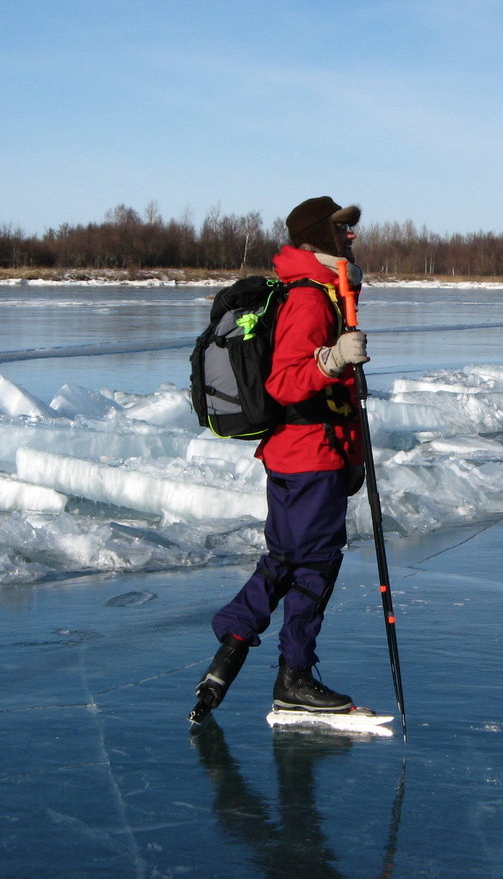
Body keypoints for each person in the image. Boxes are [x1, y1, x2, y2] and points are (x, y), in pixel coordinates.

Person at [190, 197, 369, 726]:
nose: (353, 239)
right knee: (312, 563)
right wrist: (334, 359)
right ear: (321, 237)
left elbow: (336, 394)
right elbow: (285, 381)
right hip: (308, 452)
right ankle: (292, 676)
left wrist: (353, 454)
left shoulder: (324, 293)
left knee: (289, 557)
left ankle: (237, 643)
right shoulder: (311, 300)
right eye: (344, 231)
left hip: (310, 452)